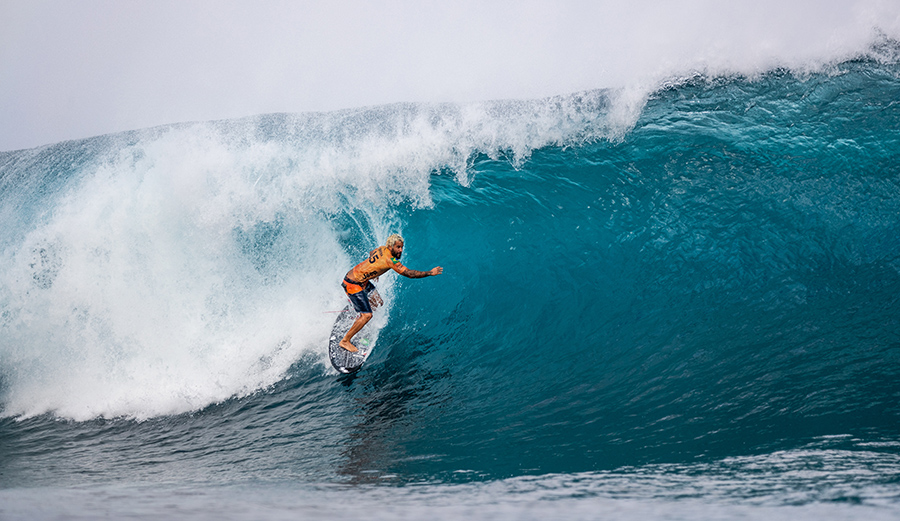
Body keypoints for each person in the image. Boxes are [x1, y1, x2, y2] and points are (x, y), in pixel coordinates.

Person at [339, 234, 442, 352]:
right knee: (368, 315)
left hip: (360, 278)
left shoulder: (383, 248)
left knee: (378, 302)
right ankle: (345, 341)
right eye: (398, 247)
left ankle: (360, 316)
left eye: (402, 247)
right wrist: (430, 272)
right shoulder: (390, 260)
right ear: (391, 246)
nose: (401, 250)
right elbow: (410, 273)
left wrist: (374, 270)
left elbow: (372, 252)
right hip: (353, 283)